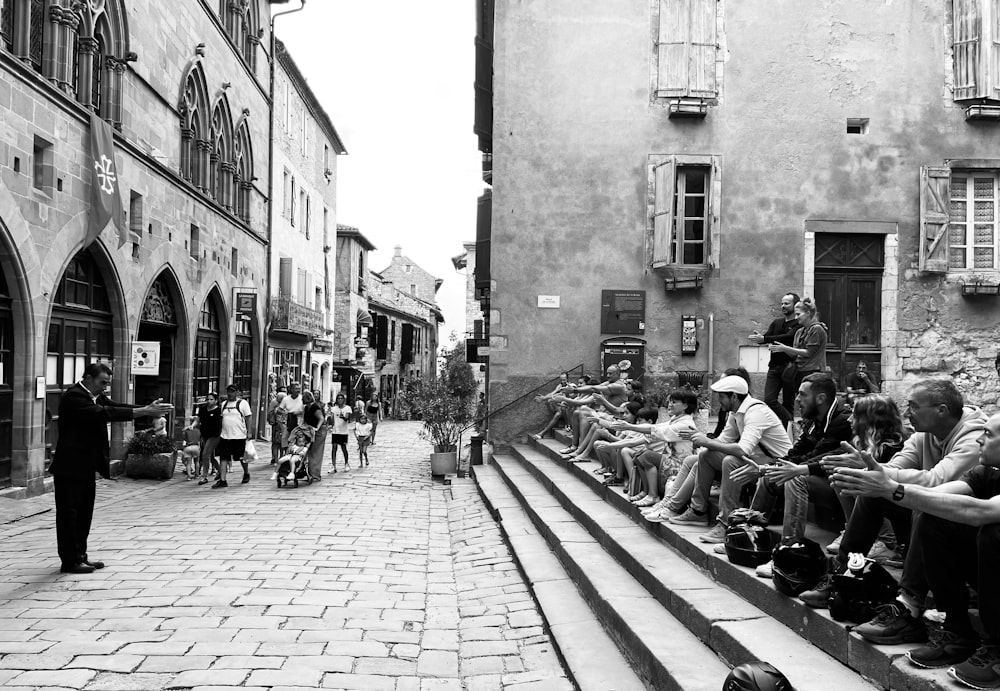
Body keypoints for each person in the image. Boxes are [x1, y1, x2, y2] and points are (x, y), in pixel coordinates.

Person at [799, 379, 987, 642]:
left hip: (970, 535)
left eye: (913, 407)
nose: (906, 413)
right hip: (942, 525)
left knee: (926, 504)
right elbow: (896, 467)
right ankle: (841, 573)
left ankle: (908, 606)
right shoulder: (923, 433)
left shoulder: (975, 436)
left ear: (941, 410)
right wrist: (874, 470)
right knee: (874, 493)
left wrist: (885, 478)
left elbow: (938, 482)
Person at [830, 413, 1000, 688]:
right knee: (933, 515)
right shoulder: (986, 472)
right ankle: (957, 631)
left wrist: (892, 488)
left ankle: (997, 647)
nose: (980, 439)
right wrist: (883, 485)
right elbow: (938, 495)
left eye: (989, 435)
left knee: (994, 532)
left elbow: (981, 511)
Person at [50, 362, 173, 574]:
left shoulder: (94, 395)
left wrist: (147, 409)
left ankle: (81, 556)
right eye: (102, 382)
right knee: (69, 515)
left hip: (86, 465)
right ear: (88, 377)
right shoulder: (75, 397)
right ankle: (69, 561)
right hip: (70, 466)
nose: (105, 387)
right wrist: (145, 410)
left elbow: (117, 406)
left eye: (107, 383)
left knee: (84, 514)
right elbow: (106, 413)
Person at [743, 373, 852, 577]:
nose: (796, 399)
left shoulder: (841, 421)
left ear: (820, 398)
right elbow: (797, 452)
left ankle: (788, 552)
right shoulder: (814, 420)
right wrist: (771, 468)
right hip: (819, 476)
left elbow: (817, 457)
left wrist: (786, 469)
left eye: (802, 394)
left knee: (794, 478)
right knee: (771, 477)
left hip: (839, 488)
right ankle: (749, 536)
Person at [670, 374, 793, 544]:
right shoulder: (735, 413)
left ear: (734, 397)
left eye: (722, 397)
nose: (719, 401)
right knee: (706, 455)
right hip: (756, 458)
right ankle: (698, 511)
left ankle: (726, 522)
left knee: (731, 461)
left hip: (778, 462)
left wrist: (706, 441)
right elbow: (722, 441)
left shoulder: (756, 412)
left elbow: (743, 449)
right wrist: (702, 441)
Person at [825, 394, 909, 557]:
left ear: (869, 420)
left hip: (898, 504)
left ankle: (886, 540)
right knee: (840, 473)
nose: (849, 420)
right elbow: (832, 456)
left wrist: (863, 466)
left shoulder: (894, 446)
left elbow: (890, 479)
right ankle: (851, 528)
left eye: (854, 416)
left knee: (861, 479)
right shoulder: (861, 442)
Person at [748, 292, 801, 426]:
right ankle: (789, 423)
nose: (783, 306)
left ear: (795, 305)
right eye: (782, 303)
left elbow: (788, 337)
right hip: (774, 367)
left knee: (788, 402)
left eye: (786, 303)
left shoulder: (798, 324)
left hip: (789, 367)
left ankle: (788, 431)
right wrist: (760, 338)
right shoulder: (776, 322)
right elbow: (767, 337)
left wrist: (765, 339)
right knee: (769, 399)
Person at [767, 297, 827, 402]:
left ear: (808, 313)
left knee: (811, 402)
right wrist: (781, 349)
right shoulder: (799, 331)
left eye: (798, 314)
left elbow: (808, 353)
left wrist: (785, 348)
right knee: (802, 401)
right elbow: (795, 354)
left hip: (812, 372)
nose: (796, 317)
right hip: (799, 372)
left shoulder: (817, 329)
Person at [215, 384, 252, 488]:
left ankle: (246, 473)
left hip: (239, 436)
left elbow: (248, 417)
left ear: (237, 392)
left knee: (241, 457)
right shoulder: (223, 404)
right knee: (223, 458)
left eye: (232, 391)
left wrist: (249, 432)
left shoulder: (242, 403)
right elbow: (221, 418)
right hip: (225, 436)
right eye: (228, 391)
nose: (230, 393)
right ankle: (223, 480)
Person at [196, 392, 222, 485]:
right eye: (208, 399)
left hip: (214, 435)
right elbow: (198, 420)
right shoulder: (203, 410)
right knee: (210, 456)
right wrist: (192, 426)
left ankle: (204, 476)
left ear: (216, 400)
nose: (209, 401)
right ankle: (220, 471)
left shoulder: (219, 411)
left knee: (205, 454)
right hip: (205, 435)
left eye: (211, 399)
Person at [303, 390, 327, 481]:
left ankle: (315, 474)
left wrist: (317, 428)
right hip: (310, 431)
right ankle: (311, 473)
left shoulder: (314, 407)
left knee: (316, 452)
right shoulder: (306, 408)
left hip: (318, 432)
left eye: (303, 397)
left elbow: (321, 418)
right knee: (310, 452)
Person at [329, 393, 352, 472]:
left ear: (343, 399)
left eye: (341, 398)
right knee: (334, 447)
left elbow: (347, 418)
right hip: (335, 430)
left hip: (343, 431)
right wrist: (330, 417)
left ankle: (346, 463)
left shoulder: (347, 408)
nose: (340, 400)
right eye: (338, 398)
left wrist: (343, 416)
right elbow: (332, 419)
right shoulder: (334, 408)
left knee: (343, 447)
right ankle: (333, 465)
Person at [267, 387, 287, 465]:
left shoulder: (274, 406)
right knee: (282, 444)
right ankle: (280, 458)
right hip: (282, 427)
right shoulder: (282, 409)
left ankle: (276, 459)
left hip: (275, 427)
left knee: (275, 444)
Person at [180, 416, 201, 480]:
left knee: (189, 463)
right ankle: (197, 475)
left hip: (188, 447)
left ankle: (189, 476)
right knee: (197, 462)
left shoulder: (187, 430)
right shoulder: (198, 431)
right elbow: (199, 439)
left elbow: (184, 438)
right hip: (196, 447)